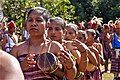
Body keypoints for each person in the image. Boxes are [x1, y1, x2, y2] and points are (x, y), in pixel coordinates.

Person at [10, 7, 76, 80]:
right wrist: (21, 67)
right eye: (30, 20)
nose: (33, 24)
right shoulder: (16, 50)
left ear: (47, 25)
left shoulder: (55, 47)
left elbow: (70, 77)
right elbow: (8, 75)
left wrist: (70, 66)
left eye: (38, 20)